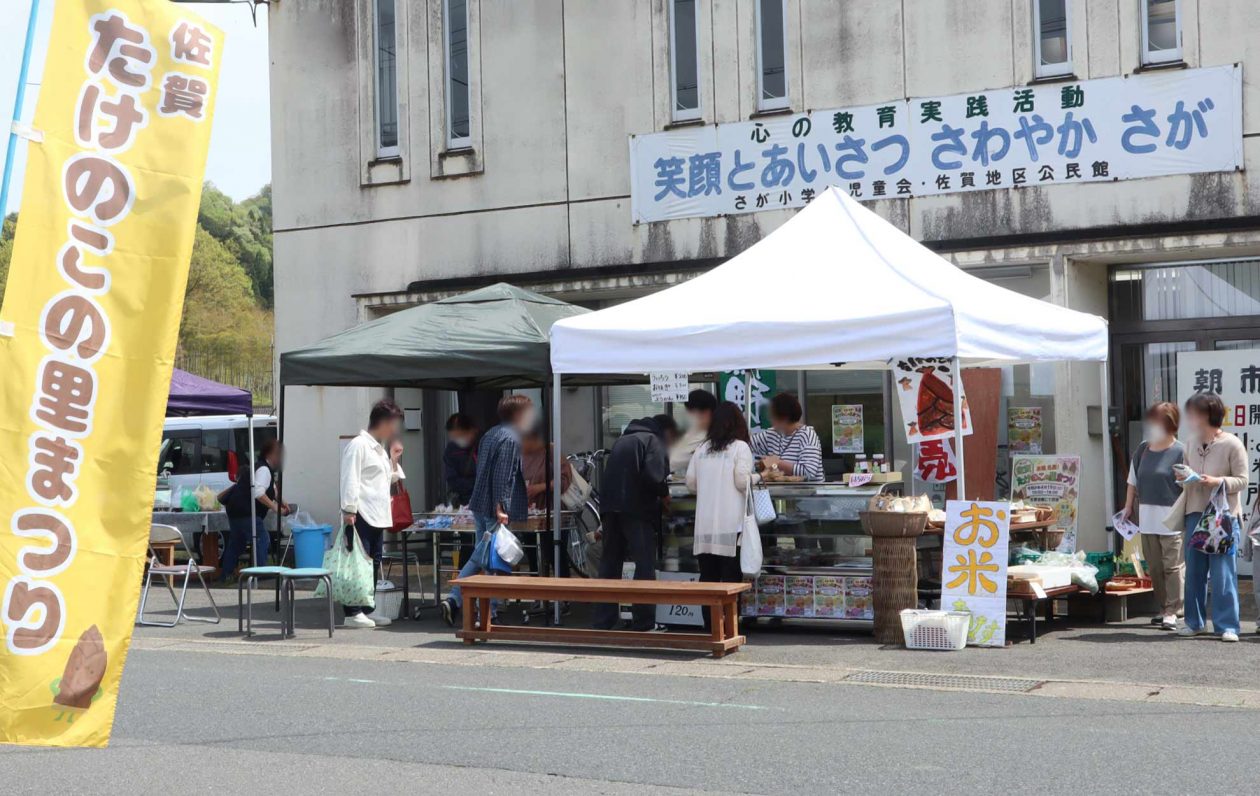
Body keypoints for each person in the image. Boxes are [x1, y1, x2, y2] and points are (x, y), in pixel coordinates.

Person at [440, 395, 534, 626]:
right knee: (490, 557)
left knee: (485, 556)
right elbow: (503, 475)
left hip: (480, 502)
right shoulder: (510, 438)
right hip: (494, 506)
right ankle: (468, 604)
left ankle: (477, 607)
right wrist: (500, 507)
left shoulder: (491, 434)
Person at [1175, 393, 1248, 642]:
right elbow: (1185, 478)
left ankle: (1228, 626)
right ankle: (1194, 622)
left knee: (1222, 572)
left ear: (1208, 415)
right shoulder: (1189, 443)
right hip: (1195, 512)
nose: (1190, 418)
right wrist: (1183, 477)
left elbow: (1243, 480)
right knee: (1194, 571)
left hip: (1222, 515)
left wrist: (1217, 481)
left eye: (1194, 413)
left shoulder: (1232, 444)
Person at [593, 416, 671, 631]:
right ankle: (644, 622)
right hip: (636, 509)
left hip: (610, 508)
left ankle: (603, 621)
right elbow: (654, 476)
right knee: (644, 563)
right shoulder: (653, 440)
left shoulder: (623, 440)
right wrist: (664, 495)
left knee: (610, 564)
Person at [686, 401, 759, 630]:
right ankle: (729, 627)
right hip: (730, 525)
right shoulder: (740, 447)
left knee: (708, 578)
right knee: (730, 579)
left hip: (705, 526)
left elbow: (691, 484)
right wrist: (759, 476)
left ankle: (710, 627)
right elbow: (741, 482)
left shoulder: (702, 449)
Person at [339, 399, 406, 628]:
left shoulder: (378, 448)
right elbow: (350, 478)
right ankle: (352, 612)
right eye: (394, 425)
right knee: (358, 562)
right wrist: (349, 510)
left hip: (377, 514)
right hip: (361, 513)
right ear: (384, 423)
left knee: (373, 562)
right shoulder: (358, 445)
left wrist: (394, 459)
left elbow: (386, 479)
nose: (395, 430)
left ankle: (367, 608)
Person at [1121, 402, 1185, 631]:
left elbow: (1188, 485)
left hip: (1172, 518)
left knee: (1173, 566)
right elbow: (1133, 480)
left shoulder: (1181, 451)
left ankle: (1174, 610)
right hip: (1147, 517)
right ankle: (1164, 607)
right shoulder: (1143, 450)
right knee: (1155, 567)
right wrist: (1128, 507)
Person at [218, 439, 290, 582]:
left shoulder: (261, 467)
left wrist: (283, 503)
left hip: (234, 510)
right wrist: (276, 508)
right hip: (246, 511)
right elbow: (258, 493)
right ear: (270, 455)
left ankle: (226, 575)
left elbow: (272, 491)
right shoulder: (264, 470)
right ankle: (260, 574)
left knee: (237, 543)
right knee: (262, 539)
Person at [521, 428, 573, 578]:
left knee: (555, 556)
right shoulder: (521, 454)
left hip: (552, 512)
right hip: (530, 514)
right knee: (533, 556)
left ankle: (562, 590)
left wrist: (538, 488)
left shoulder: (550, 450)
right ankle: (537, 588)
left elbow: (564, 480)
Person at [751, 392, 824, 481]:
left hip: (807, 490)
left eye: (772, 416)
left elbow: (808, 472)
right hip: (779, 489)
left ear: (784, 418)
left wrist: (774, 462)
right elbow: (747, 444)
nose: (770, 420)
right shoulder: (772, 434)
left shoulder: (807, 435)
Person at [671, 389, 717, 477]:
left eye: (690, 412)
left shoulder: (704, 436)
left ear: (706, 413)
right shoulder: (695, 432)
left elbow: (673, 461)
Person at [443, 412, 478, 507]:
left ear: (472, 430)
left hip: (484, 501)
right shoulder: (451, 449)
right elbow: (452, 479)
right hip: (462, 502)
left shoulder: (485, 444)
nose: (458, 440)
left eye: (460, 436)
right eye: (454, 437)